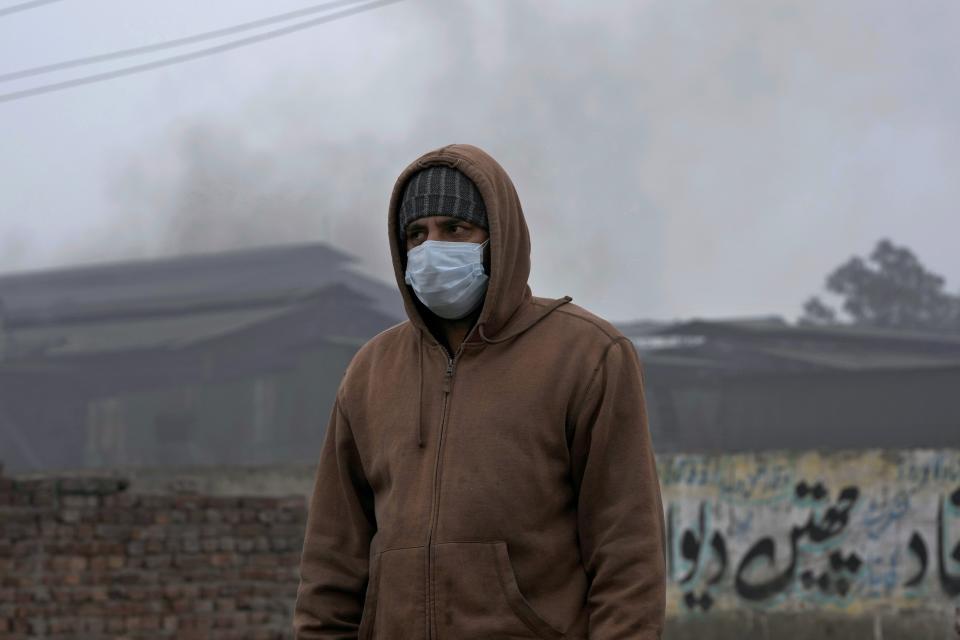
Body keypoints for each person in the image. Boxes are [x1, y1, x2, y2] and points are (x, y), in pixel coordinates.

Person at [294, 143, 666, 639]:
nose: (431, 249)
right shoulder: (370, 373)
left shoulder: (587, 355)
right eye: (416, 234)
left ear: (498, 239)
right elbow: (331, 563)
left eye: (455, 229)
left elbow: (627, 557)